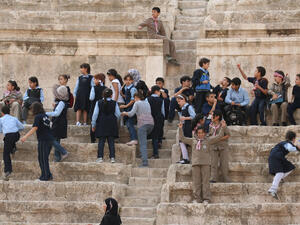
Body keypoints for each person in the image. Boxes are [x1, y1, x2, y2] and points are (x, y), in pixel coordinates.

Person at [178, 120, 227, 203]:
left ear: (204, 133)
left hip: (206, 164)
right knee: (196, 182)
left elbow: (219, 136)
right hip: (195, 164)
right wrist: (180, 128)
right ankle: (197, 198)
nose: (200, 134)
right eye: (199, 133)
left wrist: (223, 127)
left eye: (202, 133)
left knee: (205, 182)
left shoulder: (208, 140)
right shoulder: (193, 141)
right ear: (196, 133)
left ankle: (206, 198)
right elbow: (182, 138)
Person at [21, 102, 54, 181]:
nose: (31, 110)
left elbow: (35, 128)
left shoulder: (38, 117)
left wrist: (25, 136)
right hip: (49, 140)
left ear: (35, 109)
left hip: (43, 140)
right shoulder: (45, 116)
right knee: (43, 158)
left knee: (43, 158)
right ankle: (47, 175)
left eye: (32, 109)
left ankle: (45, 177)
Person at [122, 92, 154, 167]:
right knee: (142, 140)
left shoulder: (137, 103)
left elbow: (131, 114)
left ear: (136, 97)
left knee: (143, 144)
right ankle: (142, 155)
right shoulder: (147, 103)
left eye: (134, 98)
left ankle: (145, 163)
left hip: (142, 124)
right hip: (151, 124)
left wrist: (124, 113)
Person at [268, 131, 300, 199]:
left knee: (290, 167)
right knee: (280, 172)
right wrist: (297, 148)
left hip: (275, 157)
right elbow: (290, 148)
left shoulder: (283, 143)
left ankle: (279, 179)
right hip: (277, 157)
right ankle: (272, 189)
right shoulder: (287, 143)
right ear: (293, 139)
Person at [92, 88, 120, 163]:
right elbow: (118, 115)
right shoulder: (114, 103)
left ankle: (100, 157)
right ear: (111, 95)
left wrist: (93, 124)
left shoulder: (99, 102)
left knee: (101, 141)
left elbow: (95, 114)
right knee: (111, 141)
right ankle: (112, 158)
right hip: (111, 123)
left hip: (101, 122)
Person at [46, 85, 70, 162]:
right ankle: (57, 157)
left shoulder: (61, 103)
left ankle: (64, 152)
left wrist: (46, 113)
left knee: (51, 139)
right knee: (56, 139)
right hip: (59, 123)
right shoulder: (61, 102)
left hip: (58, 123)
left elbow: (57, 113)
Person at [0, 106, 24, 181]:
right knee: (8, 140)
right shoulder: (14, 118)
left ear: (2, 112)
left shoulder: (1, 119)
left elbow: (0, 130)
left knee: (6, 154)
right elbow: (22, 127)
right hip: (16, 135)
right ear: (9, 112)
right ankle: (13, 148)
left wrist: (4, 130)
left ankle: (8, 171)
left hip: (9, 136)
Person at [208, 110, 230, 183]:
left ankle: (225, 178)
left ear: (217, 117)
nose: (211, 117)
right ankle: (213, 178)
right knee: (213, 163)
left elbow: (228, 135)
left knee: (224, 163)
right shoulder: (210, 125)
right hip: (213, 146)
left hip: (223, 146)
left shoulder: (223, 124)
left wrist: (218, 139)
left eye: (213, 115)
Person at [176, 94, 196, 164]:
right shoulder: (183, 108)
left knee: (184, 140)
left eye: (179, 101)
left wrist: (185, 118)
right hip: (184, 126)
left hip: (188, 126)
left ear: (183, 100)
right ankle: (185, 158)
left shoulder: (189, 107)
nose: (178, 103)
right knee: (181, 141)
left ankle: (186, 158)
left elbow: (193, 116)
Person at [147, 85, 165, 159]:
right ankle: (158, 145)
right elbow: (163, 111)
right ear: (157, 91)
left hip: (150, 118)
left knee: (153, 136)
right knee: (157, 134)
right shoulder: (161, 100)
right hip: (159, 118)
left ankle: (154, 153)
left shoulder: (147, 99)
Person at [120, 74, 138, 146]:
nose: (128, 81)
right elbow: (127, 96)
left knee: (130, 123)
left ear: (132, 81)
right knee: (126, 123)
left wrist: (126, 105)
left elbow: (133, 100)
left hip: (131, 108)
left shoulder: (133, 89)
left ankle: (134, 139)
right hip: (128, 108)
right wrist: (122, 94)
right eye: (126, 80)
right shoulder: (126, 88)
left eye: (129, 80)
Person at [89, 73, 107, 143]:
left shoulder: (94, 88)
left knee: (93, 123)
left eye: (95, 79)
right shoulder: (105, 88)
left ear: (99, 80)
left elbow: (91, 98)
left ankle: (93, 140)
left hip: (94, 107)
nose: (94, 80)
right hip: (103, 107)